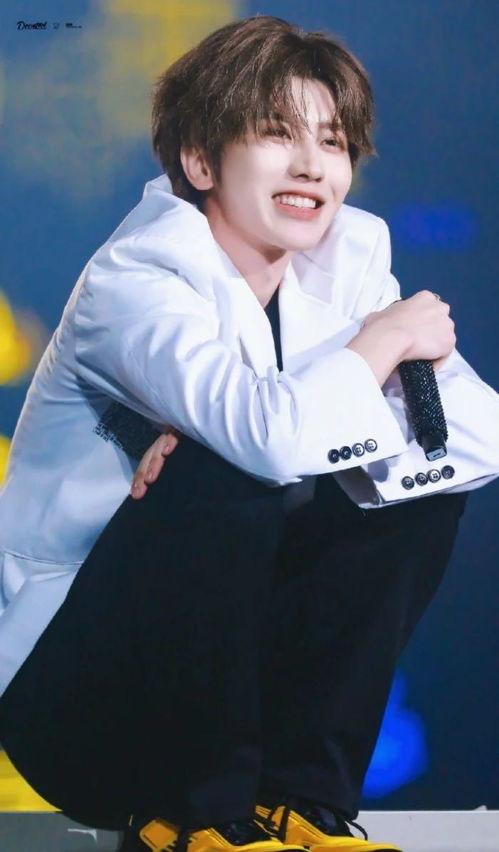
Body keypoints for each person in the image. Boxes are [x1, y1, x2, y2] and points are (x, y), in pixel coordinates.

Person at [0, 13, 498, 852]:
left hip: (236, 690)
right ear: (200, 161)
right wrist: (374, 348)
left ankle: (300, 802)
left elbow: (471, 443)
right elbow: (263, 438)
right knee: (226, 464)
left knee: (415, 490)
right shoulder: (138, 278)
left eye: (332, 142)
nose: (311, 166)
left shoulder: (345, 266)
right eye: (276, 133)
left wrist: (362, 385)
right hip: (80, 703)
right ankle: (197, 817)